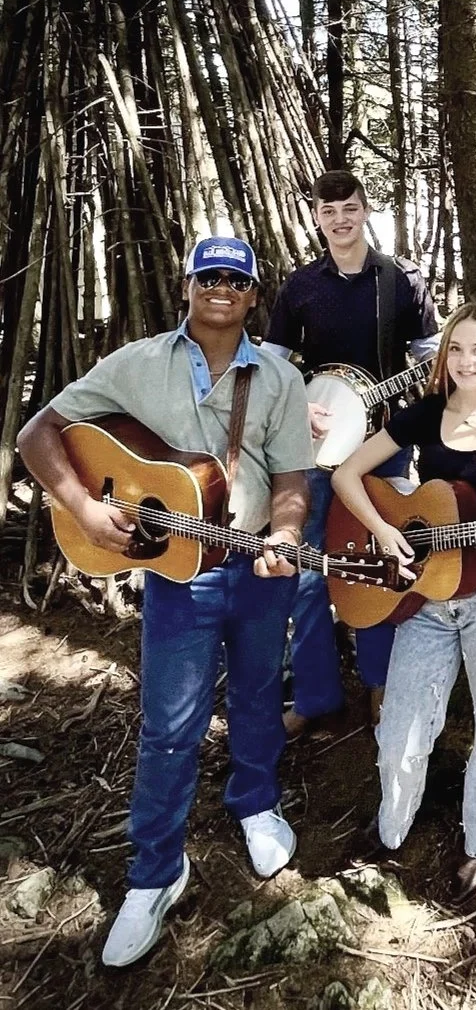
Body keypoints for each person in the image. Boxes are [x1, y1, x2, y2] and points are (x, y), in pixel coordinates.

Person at [17, 237, 314, 967]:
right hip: (176, 573)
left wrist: (284, 533)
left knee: (252, 695)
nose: (220, 288)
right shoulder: (136, 363)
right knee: (169, 726)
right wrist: (86, 509)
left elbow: (293, 478)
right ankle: (154, 873)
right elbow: (37, 432)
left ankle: (255, 802)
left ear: (251, 296)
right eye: (207, 276)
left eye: (234, 280)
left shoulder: (277, 377)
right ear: (187, 287)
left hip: (250, 567)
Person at [331, 302, 476, 904]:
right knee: (398, 723)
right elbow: (348, 476)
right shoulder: (423, 413)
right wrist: (386, 529)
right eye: (456, 348)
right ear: (443, 356)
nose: (467, 361)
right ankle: (392, 824)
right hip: (423, 595)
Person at [263, 170, 439, 737]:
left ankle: (380, 680)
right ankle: (316, 695)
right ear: (317, 217)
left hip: (382, 450)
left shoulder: (401, 280)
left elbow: (433, 360)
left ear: (366, 212)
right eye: (328, 209)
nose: (340, 218)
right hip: (312, 448)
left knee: (383, 562)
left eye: (350, 208)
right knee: (310, 569)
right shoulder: (300, 287)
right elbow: (272, 365)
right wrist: (298, 410)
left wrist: (416, 390)